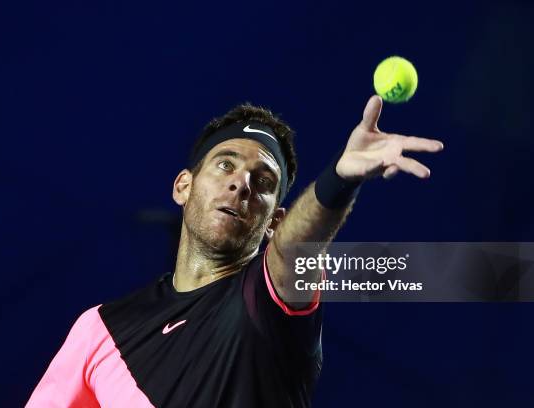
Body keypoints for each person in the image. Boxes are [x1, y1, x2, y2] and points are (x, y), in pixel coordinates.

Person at [26, 95, 443, 407]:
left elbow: (290, 256)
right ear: (183, 186)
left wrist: (339, 181)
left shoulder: (264, 307)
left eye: (263, 182)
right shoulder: (99, 328)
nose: (242, 183)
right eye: (226, 164)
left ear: (274, 222)